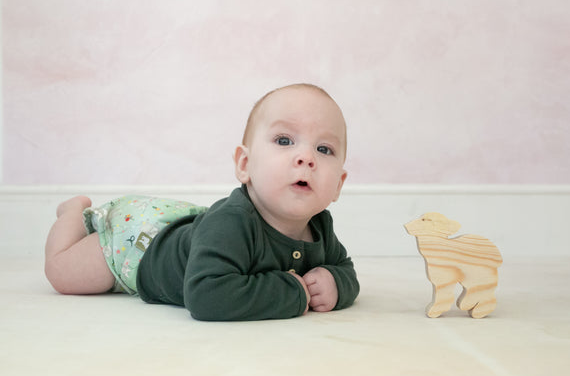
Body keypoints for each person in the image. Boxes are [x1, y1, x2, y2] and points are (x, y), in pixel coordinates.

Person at [44, 83, 360, 321]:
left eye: (324, 149)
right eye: (284, 141)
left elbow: (345, 268)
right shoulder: (232, 222)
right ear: (244, 165)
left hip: (186, 229)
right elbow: (207, 296)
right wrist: (289, 293)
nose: (305, 157)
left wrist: (337, 283)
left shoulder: (319, 227)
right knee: (63, 273)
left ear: (338, 185)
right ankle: (73, 211)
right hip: (140, 245)